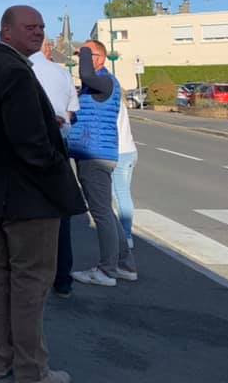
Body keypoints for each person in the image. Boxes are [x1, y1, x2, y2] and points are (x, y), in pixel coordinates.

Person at [0, 6, 86, 383]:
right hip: (27, 199)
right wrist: (56, 168)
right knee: (30, 285)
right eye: (30, 27)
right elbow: (30, 144)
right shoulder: (14, 71)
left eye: (42, 27)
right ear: (6, 31)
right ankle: (32, 371)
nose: (40, 33)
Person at [67, 41, 137, 287]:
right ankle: (124, 265)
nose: (81, 60)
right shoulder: (96, 85)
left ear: (101, 58)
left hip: (94, 155)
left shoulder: (104, 81)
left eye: (87, 55)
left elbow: (85, 72)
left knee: (101, 213)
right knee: (106, 211)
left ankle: (107, 270)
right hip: (95, 152)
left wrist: (83, 49)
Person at [29, 40, 80, 298]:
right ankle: (63, 279)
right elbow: (72, 114)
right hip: (58, 144)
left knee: (27, 214)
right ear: (47, 51)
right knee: (61, 214)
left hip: (28, 147)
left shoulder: (22, 71)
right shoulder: (62, 73)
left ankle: (32, 277)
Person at [112, 100, 138, 251]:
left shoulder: (107, 101)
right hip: (130, 150)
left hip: (119, 153)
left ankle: (126, 236)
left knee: (119, 194)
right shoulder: (119, 101)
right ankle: (125, 233)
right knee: (123, 194)